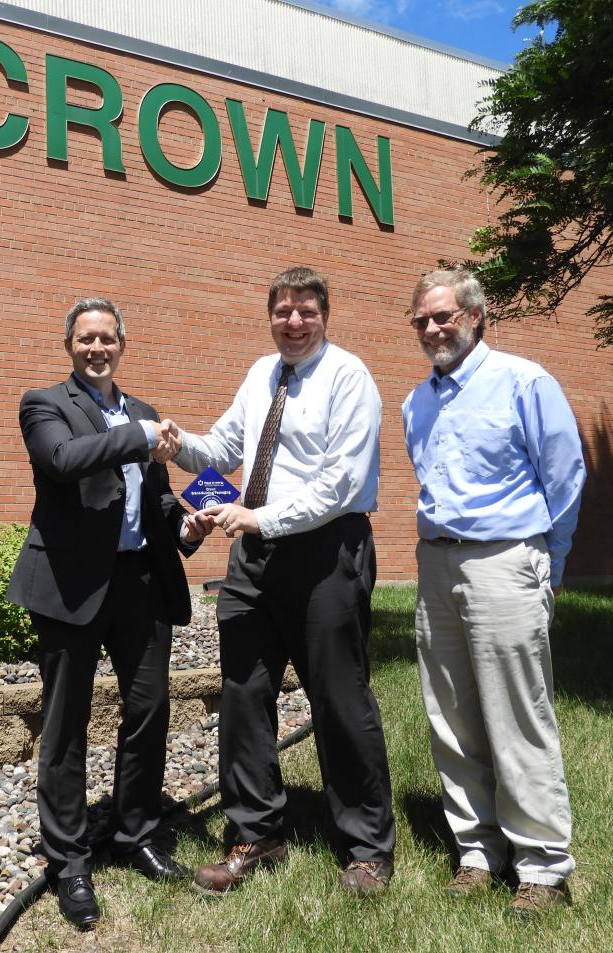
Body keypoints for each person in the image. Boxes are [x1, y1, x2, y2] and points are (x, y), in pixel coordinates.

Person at [168, 267, 397, 897]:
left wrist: (256, 515)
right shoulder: (260, 374)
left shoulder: (348, 377)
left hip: (325, 554)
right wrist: (176, 443)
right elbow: (224, 448)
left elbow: (340, 483)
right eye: (282, 312)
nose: (293, 322)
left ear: (326, 315)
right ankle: (255, 832)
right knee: (244, 695)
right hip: (254, 558)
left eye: (305, 311)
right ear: (269, 316)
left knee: (338, 698)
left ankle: (366, 847)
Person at [6, 298, 210, 927]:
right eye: (85, 339)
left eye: (107, 339)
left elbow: (160, 498)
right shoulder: (45, 404)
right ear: (70, 345)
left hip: (140, 582)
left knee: (149, 709)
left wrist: (189, 525)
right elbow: (63, 462)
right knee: (65, 724)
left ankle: (136, 832)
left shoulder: (144, 412)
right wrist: (142, 438)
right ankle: (68, 861)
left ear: (124, 343)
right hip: (71, 585)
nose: (97, 349)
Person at [401, 268, 585, 917]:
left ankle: (542, 866)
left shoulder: (524, 382)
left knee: (518, 715)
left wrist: (549, 559)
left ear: (476, 315)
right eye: (421, 320)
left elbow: (565, 476)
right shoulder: (415, 404)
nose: (431, 329)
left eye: (443, 316)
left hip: (507, 560)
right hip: (437, 565)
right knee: (450, 715)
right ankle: (478, 852)